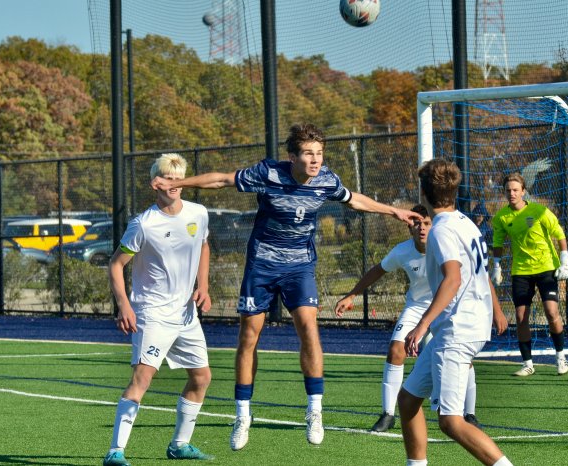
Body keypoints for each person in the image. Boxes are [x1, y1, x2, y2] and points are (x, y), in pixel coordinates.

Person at [151, 123, 421, 451]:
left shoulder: (327, 180)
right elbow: (221, 178)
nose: (315, 160)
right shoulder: (267, 173)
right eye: (308, 153)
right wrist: (176, 182)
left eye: (319, 153)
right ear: (292, 156)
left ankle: (315, 411)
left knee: (309, 329)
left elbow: (355, 201)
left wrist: (393, 210)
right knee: (249, 337)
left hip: (299, 267)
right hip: (262, 266)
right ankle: (243, 415)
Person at [398, 158, 510, 466]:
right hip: (465, 323)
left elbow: (454, 278)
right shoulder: (465, 223)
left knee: (451, 421)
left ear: (423, 193)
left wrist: (421, 326)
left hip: (457, 329)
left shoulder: (441, 230)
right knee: (408, 401)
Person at [102, 153, 213, 466]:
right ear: (157, 183)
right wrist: (124, 304)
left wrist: (203, 285)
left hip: (186, 316)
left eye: (179, 177)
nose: (174, 183)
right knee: (142, 379)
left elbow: (204, 245)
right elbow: (115, 264)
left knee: (202, 377)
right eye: (168, 177)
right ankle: (115, 452)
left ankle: (180, 444)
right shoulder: (144, 224)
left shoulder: (198, 213)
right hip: (152, 313)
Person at [334, 204, 481, 432]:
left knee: (462, 356)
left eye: (427, 223)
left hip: (447, 307)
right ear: (409, 228)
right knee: (395, 350)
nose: (421, 228)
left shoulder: (447, 246)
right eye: (416, 223)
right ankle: (387, 414)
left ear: (434, 225)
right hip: (416, 308)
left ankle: (469, 414)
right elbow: (377, 270)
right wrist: (352, 295)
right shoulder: (401, 252)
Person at [490, 171, 568, 377]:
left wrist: (565, 261)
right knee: (520, 316)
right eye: (508, 190)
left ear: (523, 191)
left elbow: (559, 233)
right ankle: (528, 364)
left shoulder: (539, 211)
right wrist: (497, 266)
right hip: (521, 271)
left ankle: (560, 357)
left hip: (546, 267)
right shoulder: (501, 217)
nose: (512, 193)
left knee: (552, 313)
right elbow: (498, 243)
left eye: (516, 190)